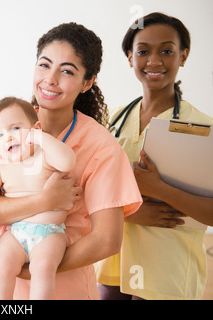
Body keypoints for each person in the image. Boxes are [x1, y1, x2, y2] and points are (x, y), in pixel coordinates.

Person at [0, 22, 142, 300]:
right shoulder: (3, 129)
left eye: (67, 71)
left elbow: (107, 239)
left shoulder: (101, 147)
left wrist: (34, 269)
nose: (51, 79)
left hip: (62, 287)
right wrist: (46, 201)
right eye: (44, 65)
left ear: (87, 82)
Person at [97, 12, 213, 300]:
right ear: (129, 57)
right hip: (113, 260)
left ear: (183, 56)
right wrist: (131, 213)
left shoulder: (203, 128)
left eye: (166, 51)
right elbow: (91, 191)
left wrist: (157, 188)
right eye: (143, 51)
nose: (155, 61)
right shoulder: (111, 120)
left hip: (168, 266)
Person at [0, 97, 76, 299]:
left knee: (43, 268)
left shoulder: (44, 157)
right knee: (1, 263)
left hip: (50, 234)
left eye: (15, 129)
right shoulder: (1, 168)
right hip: (17, 233)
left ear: (36, 128)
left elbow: (68, 162)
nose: (7, 138)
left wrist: (42, 138)